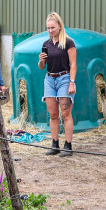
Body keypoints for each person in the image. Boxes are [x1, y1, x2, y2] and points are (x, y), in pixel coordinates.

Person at [37, 12, 76, 156]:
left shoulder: (68, 42)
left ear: (59, 26)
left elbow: (73, 64)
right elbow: (42, 67)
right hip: (49, 79)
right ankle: (55, 144)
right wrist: (41, 60)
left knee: (66, 114)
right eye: (48, 28)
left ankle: (68, 145)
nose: (50, 30)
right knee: (53, 114)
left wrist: (72, 83)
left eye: (53, 27)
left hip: (64, 79)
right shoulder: (46, 44)